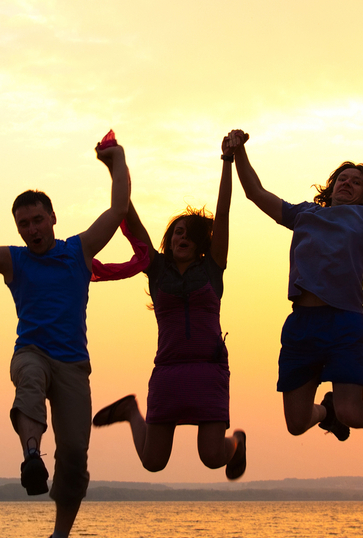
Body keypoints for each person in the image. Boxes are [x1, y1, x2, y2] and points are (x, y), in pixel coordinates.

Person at [0, 138, 130, 537]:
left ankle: (59, 532)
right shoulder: (14, 260)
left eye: (37, 220)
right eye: (23, 224)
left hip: (73, 364)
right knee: (29, 379)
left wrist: (118, 161)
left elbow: (118, 209)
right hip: (31, 352)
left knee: (74, 456)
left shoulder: (79, 251)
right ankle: (30, 456)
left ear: (52, 217)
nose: (31, 229)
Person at [229, 129, 363, 463]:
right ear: (329, 188)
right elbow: (255, 193)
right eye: (342, 179)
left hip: (343, 323)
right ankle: (324, 414)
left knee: (352, 412)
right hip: (301, 324)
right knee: (296, 423)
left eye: (356, 182)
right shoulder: (304, 214)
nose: (347, 183)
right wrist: (240, 151)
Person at [92, 133, 247, 480]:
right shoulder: (157, 269)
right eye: (177, 231)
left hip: (208, 371)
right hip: (169, 371)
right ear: (170, 238)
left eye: (189, 232)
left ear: (202, 242)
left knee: (212, 457)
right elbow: (128, 216)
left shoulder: (212, 268)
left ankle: (237, 441)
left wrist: (227, 162)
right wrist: (115, 168)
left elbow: (222, 215)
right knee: (153, 461)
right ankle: (132, 411)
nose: (182, 236)